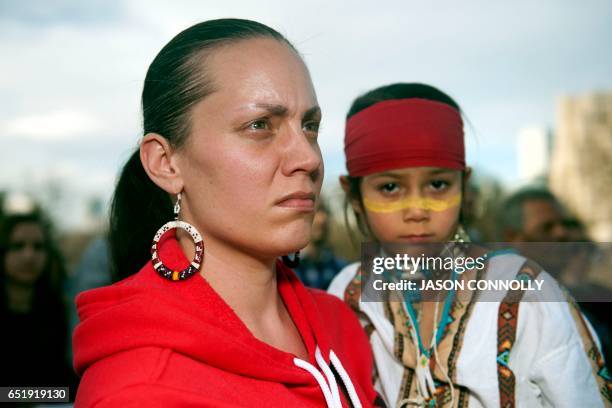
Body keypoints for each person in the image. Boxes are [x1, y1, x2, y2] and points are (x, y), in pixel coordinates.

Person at [73, 19, 380, 407]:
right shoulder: (141, 389)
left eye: (309, 126)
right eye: (259, 126)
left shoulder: (342, 326)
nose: (307, 158)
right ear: (166, 163)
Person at [328, 83, 610, 407]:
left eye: (438, 184)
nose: (418, 210)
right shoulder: (348, 294)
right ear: (354, 196)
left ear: (465, 186)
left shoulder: (524, 292)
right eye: (390, 187)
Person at [0, 211, 78, 398]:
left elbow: (67, 385)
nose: (29, 256)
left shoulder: (62, 311)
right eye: (18, 246)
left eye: (38, 247)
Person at [295, 200, 348, 289]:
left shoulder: (341, 269)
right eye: (316, 211)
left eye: (325, 212)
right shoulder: (284, 270)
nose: (322, 219)